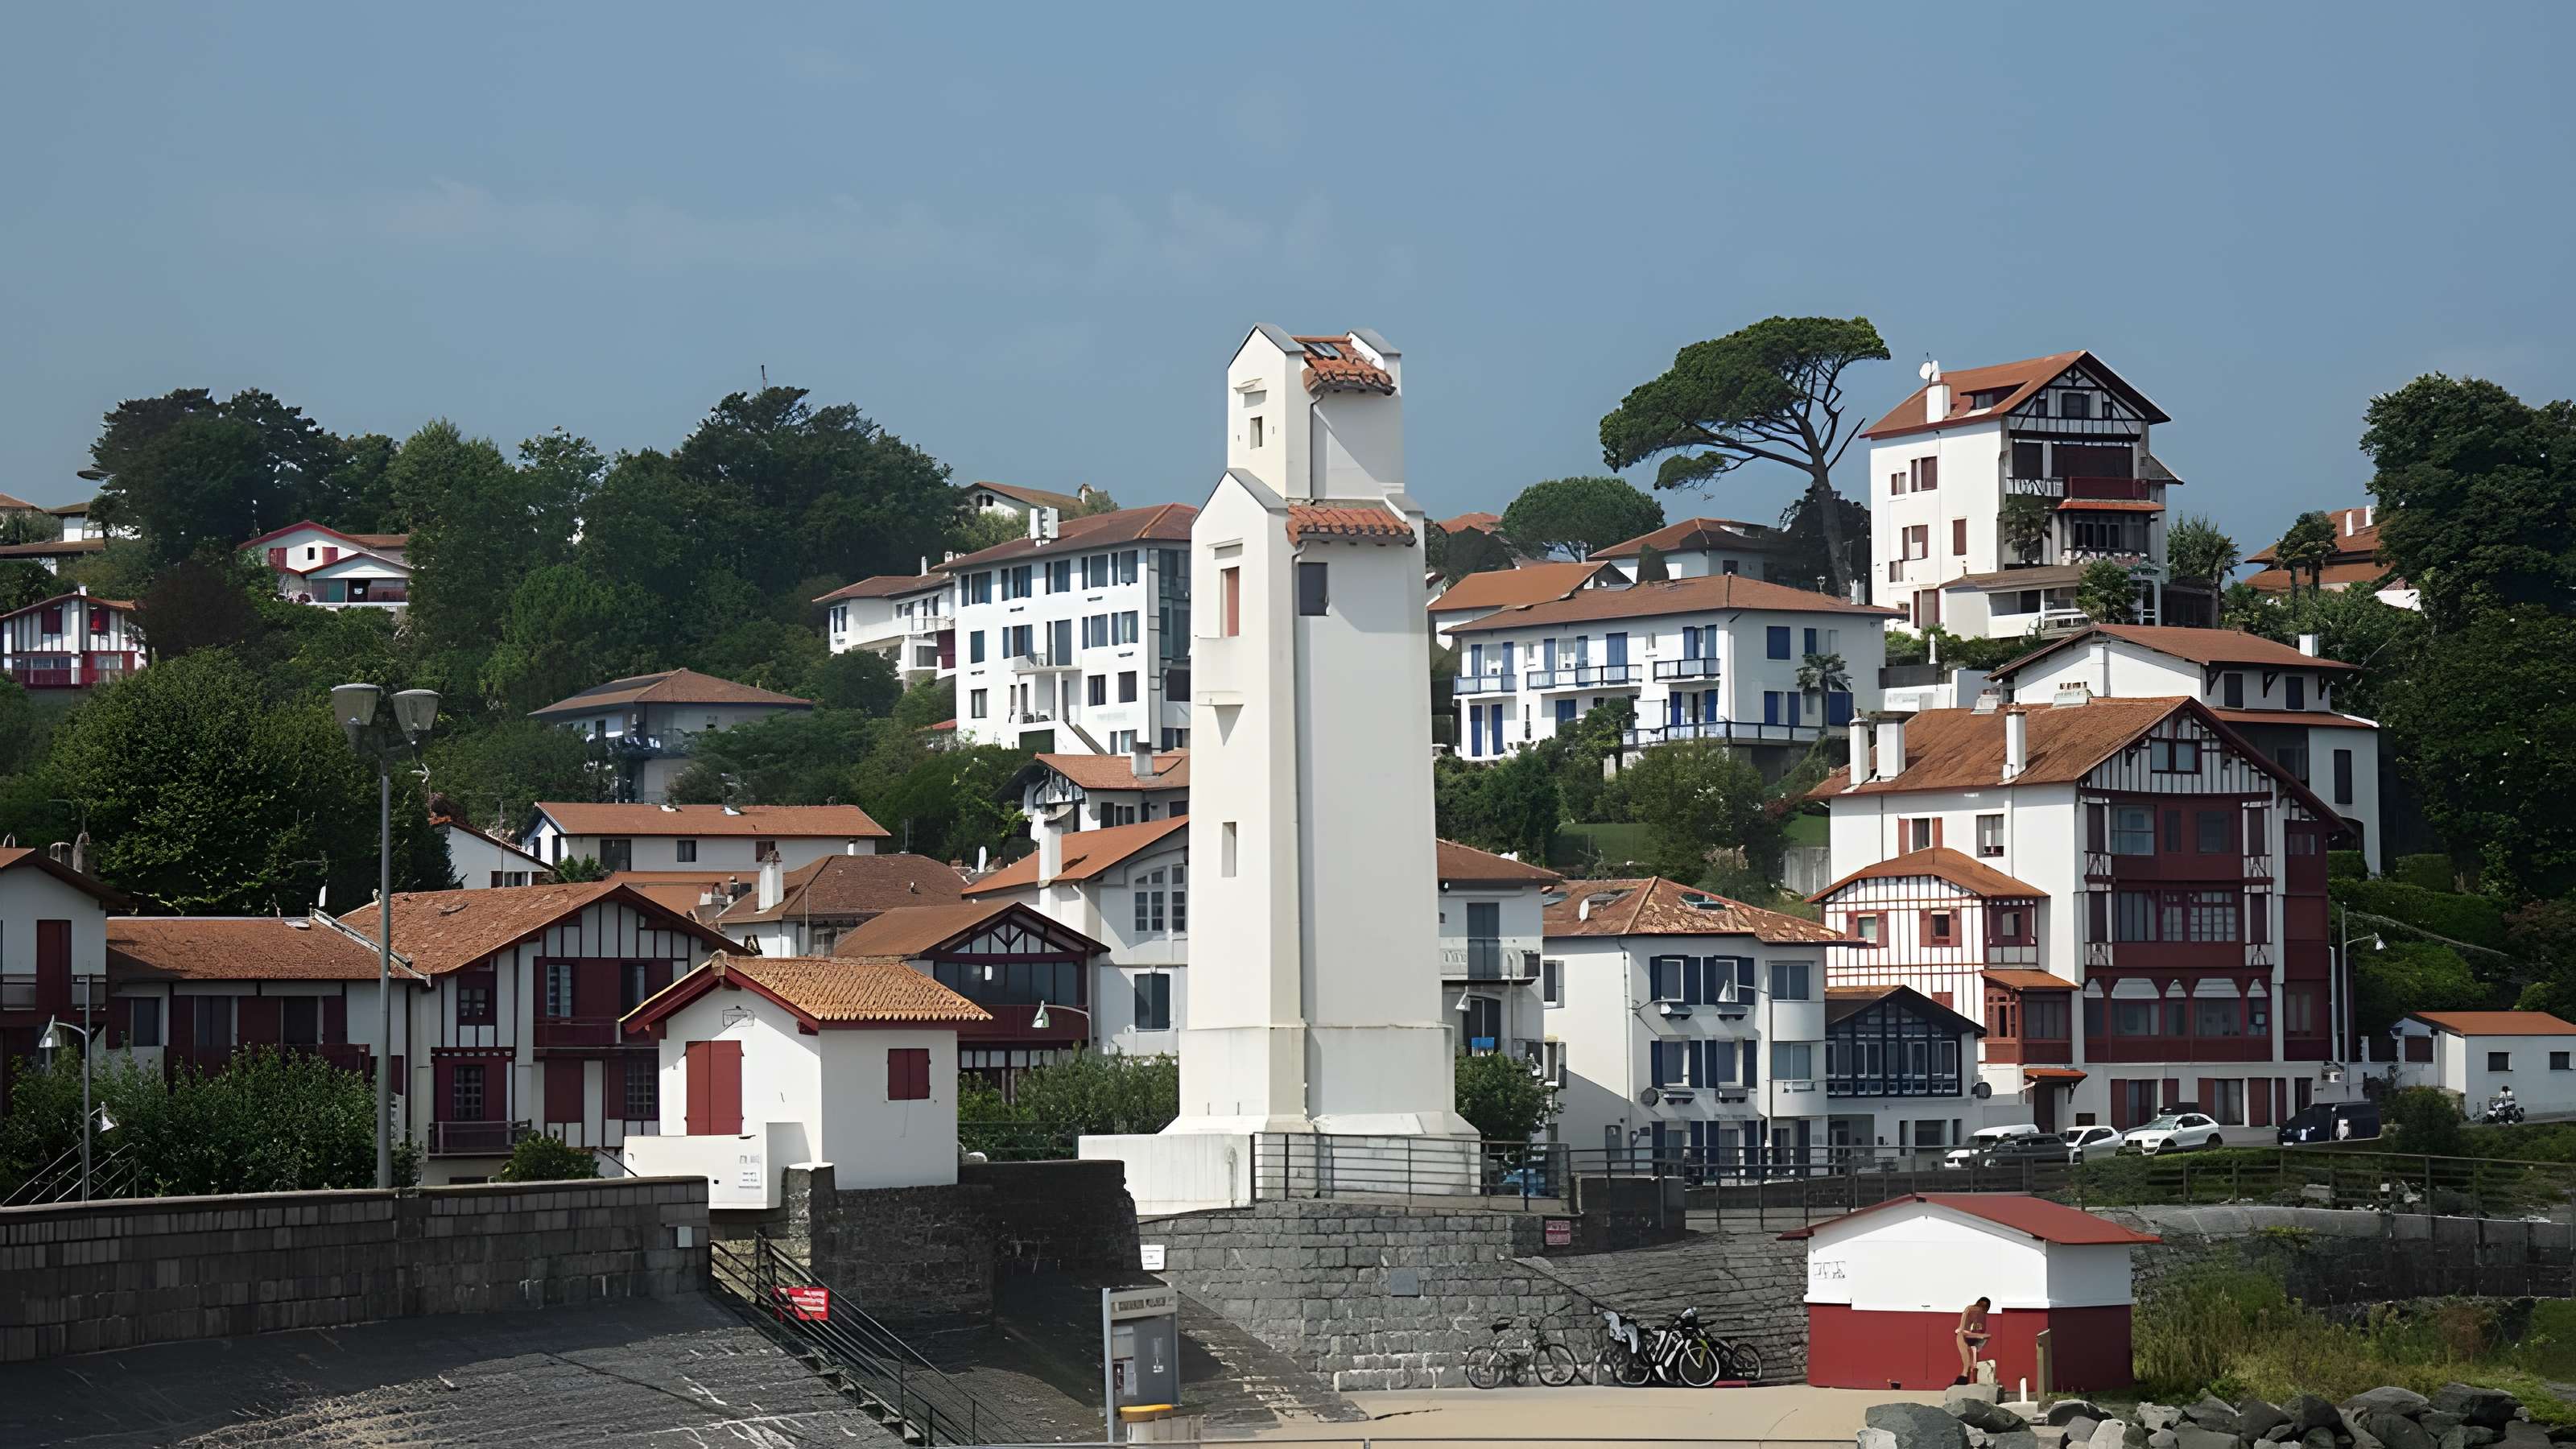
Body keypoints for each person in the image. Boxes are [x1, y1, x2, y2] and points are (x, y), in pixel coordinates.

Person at [1954, 1297, 1991, 1385]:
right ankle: (1960, 1384)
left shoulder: (1972, 1310)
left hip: (1965, 1336)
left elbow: (1963, 1329)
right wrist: (1982, 1336)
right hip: (1964, 1336)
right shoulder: (1975, 1311)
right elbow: (1964, 1330)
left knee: (1969, 1365)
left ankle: (1963, 1384)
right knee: (1968, 1366)